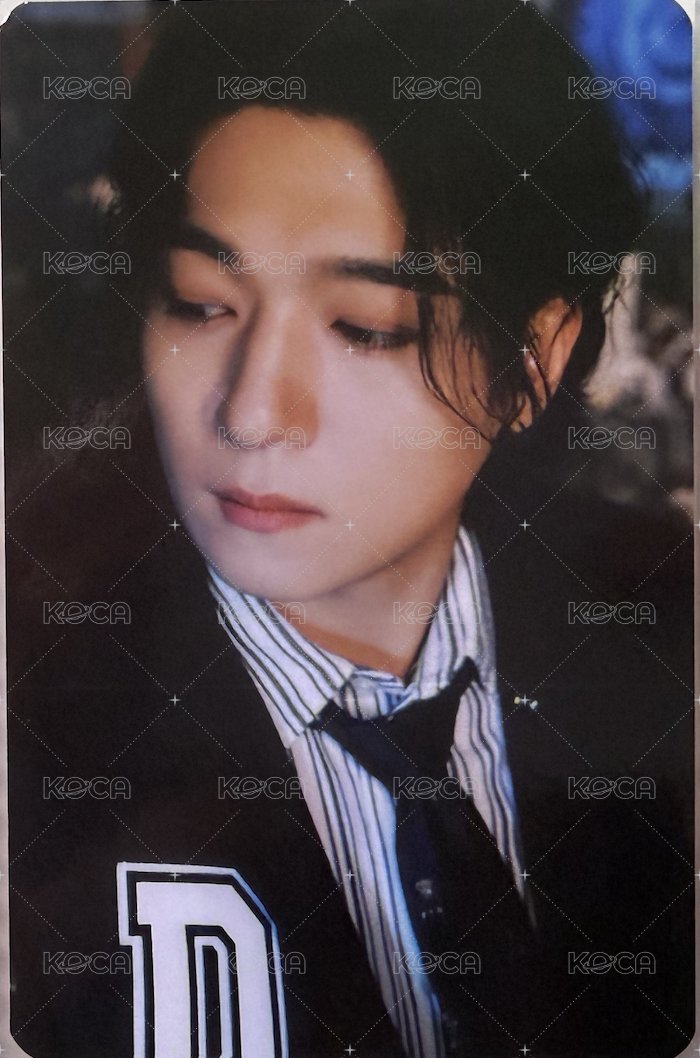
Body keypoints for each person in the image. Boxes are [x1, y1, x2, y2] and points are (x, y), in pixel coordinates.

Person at [6, 2, 693, 1057]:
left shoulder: (663, 624)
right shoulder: (44, 700)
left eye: (366, 329)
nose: (253, 412)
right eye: (200, 301)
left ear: (534, 363)